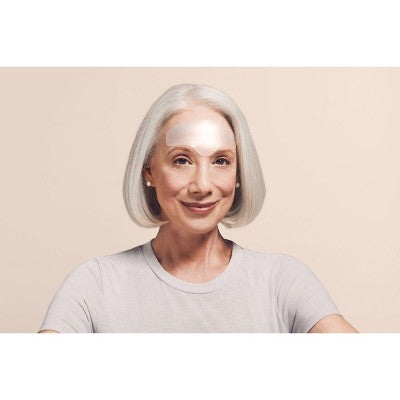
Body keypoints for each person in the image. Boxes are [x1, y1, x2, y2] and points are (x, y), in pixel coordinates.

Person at [39, 83, 358, 333]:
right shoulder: (95, 284)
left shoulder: (281, 280)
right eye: (181, 160)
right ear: (149, 171)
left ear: (239, 173)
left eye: (221, 161)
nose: (202, 185)